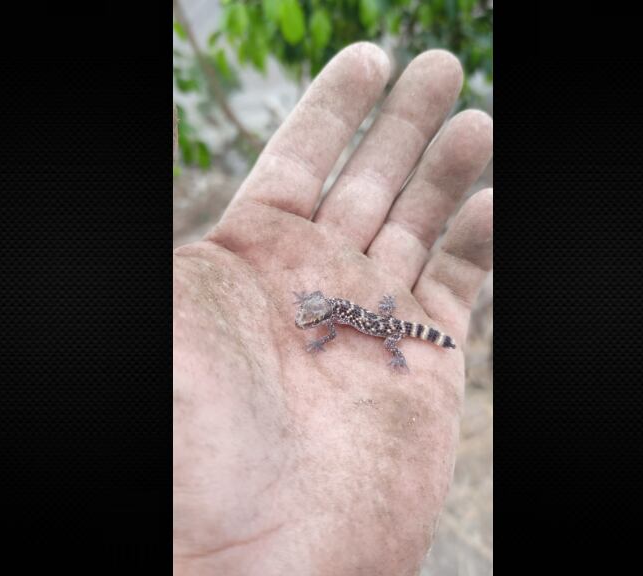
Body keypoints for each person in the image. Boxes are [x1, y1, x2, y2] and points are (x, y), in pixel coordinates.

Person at [173, 42, 493, 575]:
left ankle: (417, 344)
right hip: (376, 314)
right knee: (390, 328)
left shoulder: (333, 321)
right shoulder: (329, 310)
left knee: (396, 337)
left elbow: (335, 327)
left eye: (310, 318)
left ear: (318, 315)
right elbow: (329, 313)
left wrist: (367, 345)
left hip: (385, 323)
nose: (309, 322)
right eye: (310, 318)